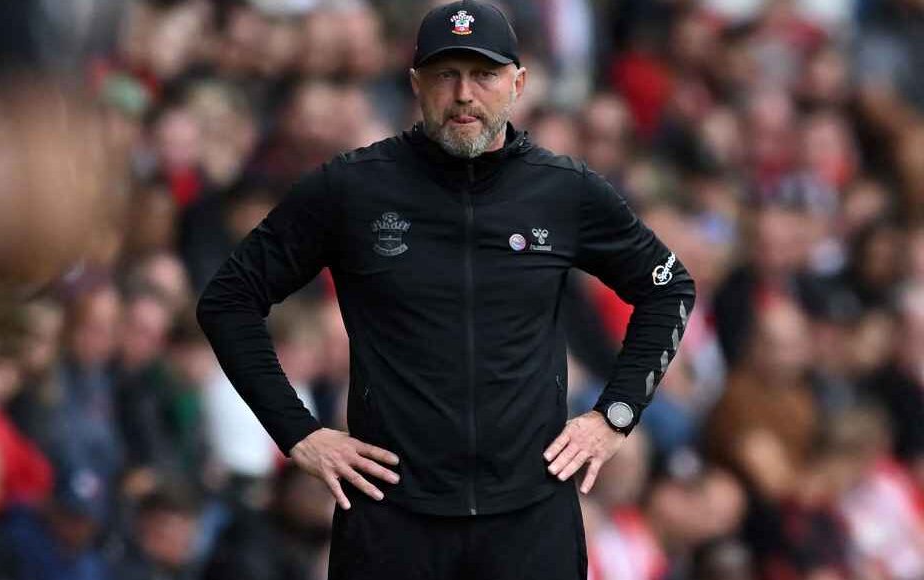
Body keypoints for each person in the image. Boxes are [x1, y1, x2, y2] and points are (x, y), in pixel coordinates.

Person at [196, 1, 696, 578]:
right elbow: (228, 301)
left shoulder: (564, 190)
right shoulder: (352, 188)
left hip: (529, 518)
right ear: (416, 84)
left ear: (518, 84)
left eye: (483, 75)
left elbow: (668, 288)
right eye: (445, 75)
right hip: (392, 518)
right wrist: (298, 432)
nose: (463, 94)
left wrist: (614, 416)